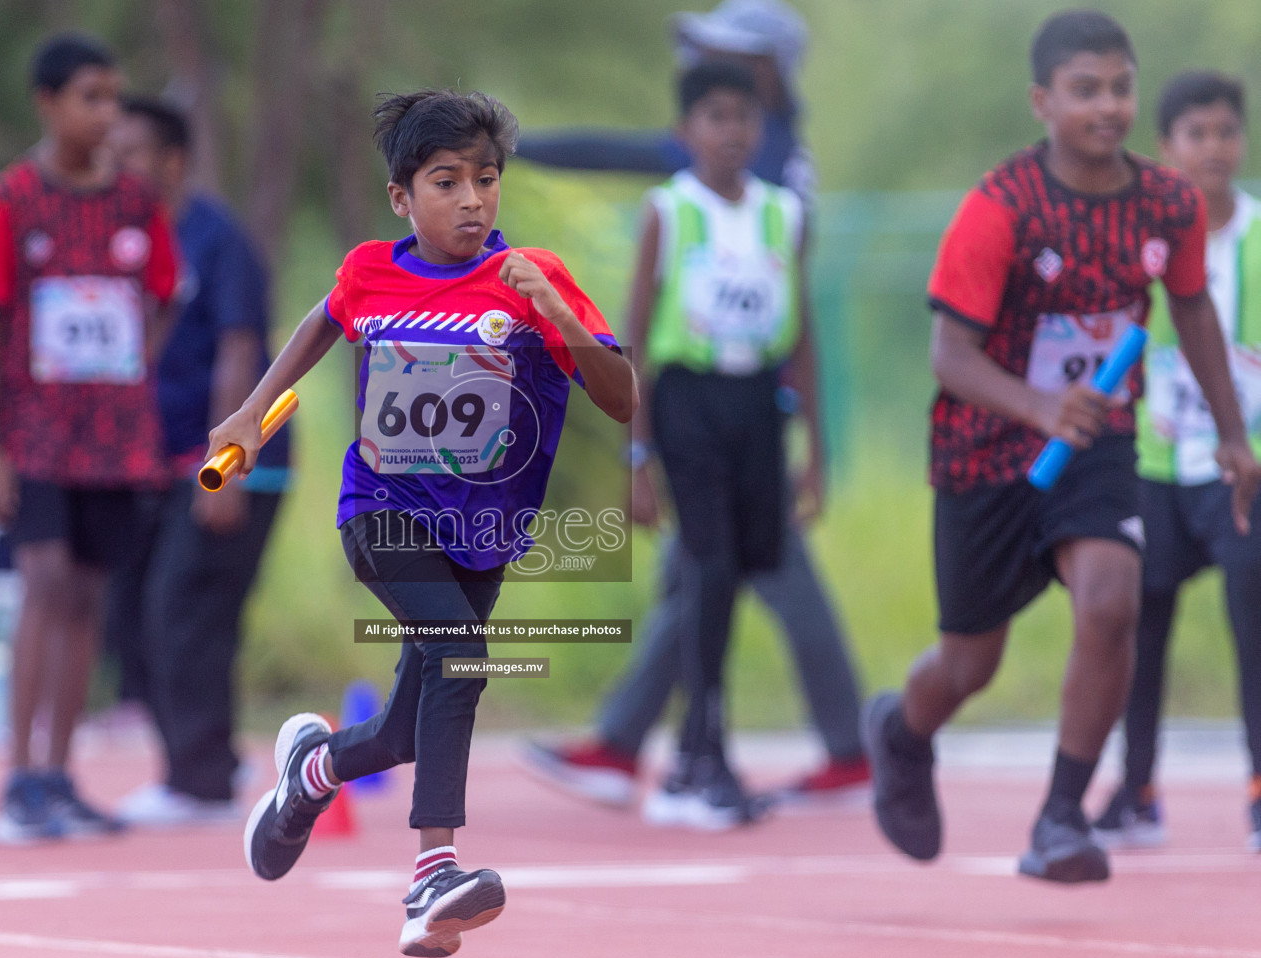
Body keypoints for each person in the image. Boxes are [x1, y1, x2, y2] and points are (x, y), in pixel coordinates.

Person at [213, 89, 636, 957]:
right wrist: (252, 415)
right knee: (461, 659)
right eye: (448, 182)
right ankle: (432, 874)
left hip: (484, 531)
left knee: (412, 725)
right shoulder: (371, 269)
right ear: (403, 197)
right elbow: (322, 324)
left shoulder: (533, 279)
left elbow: (624, 400)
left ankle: (312, 770)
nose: (473, 200)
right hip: (383, 509)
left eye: (486, 180)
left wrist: (554, 314)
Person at [864, 10, 1261, 885]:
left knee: (1112, 598)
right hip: (984, 447)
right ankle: (899, 731)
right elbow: (949, 355)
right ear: (1043, 100)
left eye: (1120, 86)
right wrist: (1038, 406)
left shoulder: (1167, 204)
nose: (1108, 105)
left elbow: (1191, 308)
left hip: (1097, 439)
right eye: (1086, 89)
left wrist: (1233, 434)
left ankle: (1061, 816)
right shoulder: (999, 208)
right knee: (970, 661)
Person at [519, 0, 868, 804]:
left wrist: (514, 147)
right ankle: (623, 741)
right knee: (699, 576)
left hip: (743, 400)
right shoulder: (757, 151)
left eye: (718, 54)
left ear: (763, 75)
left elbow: (787, 309)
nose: (700, 69)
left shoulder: (763, 166)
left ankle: (843, 747)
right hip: (706, 409)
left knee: (753, 571)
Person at [0, 33, 179, 844]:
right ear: (46, 103)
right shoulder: (7, 202)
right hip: (33, 435)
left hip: (113, 438)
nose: (107, 114)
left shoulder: (136, 205)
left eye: (114, 97)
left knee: (87, 596)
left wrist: (131, 373)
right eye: (90, 97)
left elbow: (161, 295)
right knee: (44, 584)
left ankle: (59, 772)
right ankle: (18, 779)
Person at [104, 95, 289, 827]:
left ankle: (203, 780)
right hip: (152, 464)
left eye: (132, 153)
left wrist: (225, 463)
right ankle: (199, 761)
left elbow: (240, 347)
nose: (117, 167)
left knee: (184, 611)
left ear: (172, 160)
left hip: (227, 462)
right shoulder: (125, 241)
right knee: (132, 615)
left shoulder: (215, 239)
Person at [1092, 72, 1261, 854]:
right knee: (1135, 622)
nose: (1214, 148)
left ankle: (1259, 789)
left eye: (1226, 132)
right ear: (1164, 149)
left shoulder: (1257, 238)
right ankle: (1136, 788)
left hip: (1243, 468)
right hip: (1157, 463)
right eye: (1196, 134)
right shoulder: (1141, 241)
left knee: (1251, 623)